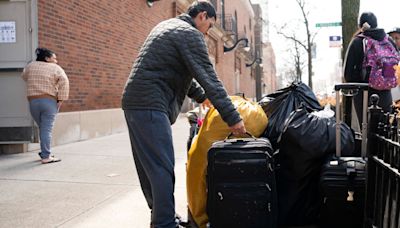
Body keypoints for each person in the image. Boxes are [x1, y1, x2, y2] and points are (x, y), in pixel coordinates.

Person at [121, 1, 246, 227]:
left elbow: (177, 73)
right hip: (150, 104)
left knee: (150, 168)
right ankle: (164, 223)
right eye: (210, 24)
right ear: (202, 16)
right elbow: (209, 77)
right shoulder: (189, 34)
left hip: (135, 102)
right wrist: (233, 117)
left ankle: (161, 216)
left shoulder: (168, 26)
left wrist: (201, 97)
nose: (208, 31)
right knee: (161, 168)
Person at [344, 12, 396, 124]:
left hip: (364, 93)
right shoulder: (388, 40)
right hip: (386, 92)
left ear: (360, 25)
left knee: (367, 131)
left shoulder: (358, 41)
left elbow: (347, 74)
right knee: (385, 132)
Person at [22, 47, 69, 164]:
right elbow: (65, 81)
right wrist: (61, 99)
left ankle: (44, 152)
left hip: (33, 101)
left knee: (42, 128)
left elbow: (24, 76)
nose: (56, 61)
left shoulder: (31, 66)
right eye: (54, 58)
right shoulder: (55, 68)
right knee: (46, 129)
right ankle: (46, 156)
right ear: (47, 58)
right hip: (49, 101)